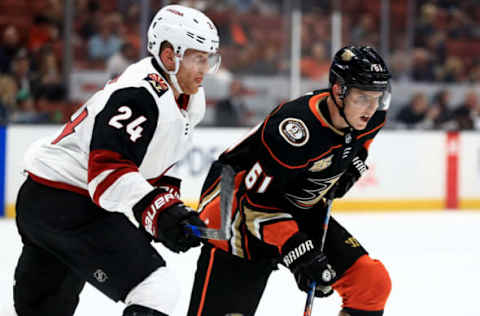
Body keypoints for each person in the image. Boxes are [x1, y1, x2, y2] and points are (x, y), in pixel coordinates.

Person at [13, 5, 220, 316]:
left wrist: (167, 214)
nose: (205, 68)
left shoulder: (188, 97)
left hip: (45, 201)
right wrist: (161, 213)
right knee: (156, 290)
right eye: (197, 58)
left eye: (209, 58)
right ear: (169, 56)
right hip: (71, 205)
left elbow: (157, 164)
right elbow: (106, 173)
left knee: (46, 310)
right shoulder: (138, 95)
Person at [187, 45, 392, 316]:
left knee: (370, 284)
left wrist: (353, 164)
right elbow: (256, 204)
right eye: (363, 97)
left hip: (295, 201)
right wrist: (299, 253)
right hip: (235, 207)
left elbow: (360, 140)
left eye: (378, 97)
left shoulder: (371, 115)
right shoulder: (295, 131)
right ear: (338, 91)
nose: (372, 107)